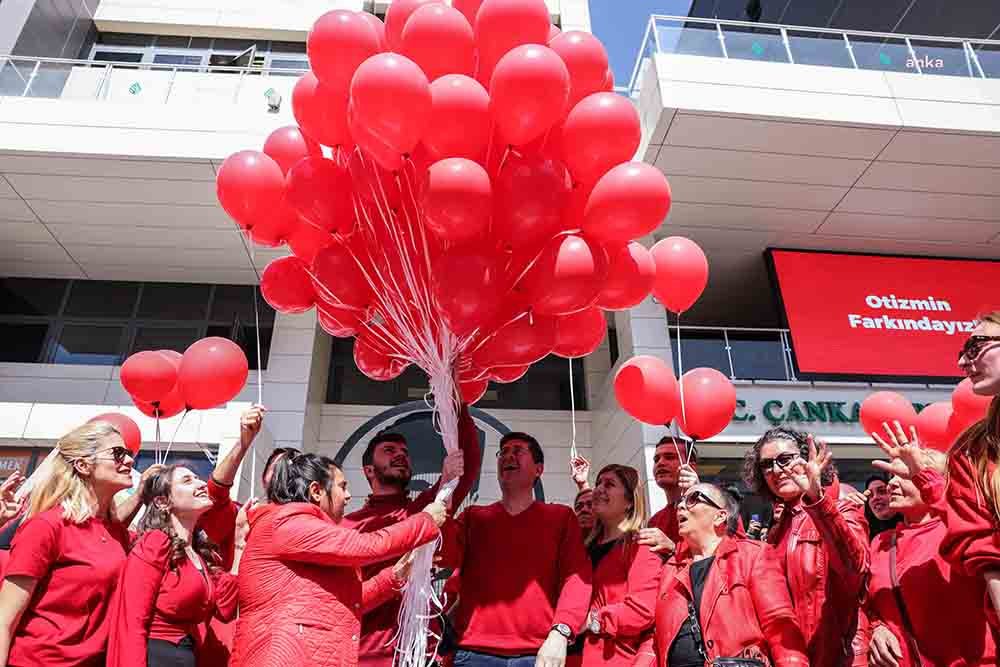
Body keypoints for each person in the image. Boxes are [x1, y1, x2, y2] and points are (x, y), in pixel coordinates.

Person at [231, 452, 446, 667]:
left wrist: (395, 575)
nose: (348, 496)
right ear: (316, 491)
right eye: (342, 487)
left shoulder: (298, 530)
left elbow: (350, 601)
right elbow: (368, 545)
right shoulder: (285, 522)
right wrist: (425, 521)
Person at [872, 311, 1000, 643]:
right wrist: (877, 625)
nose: (962, 362)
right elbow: (984, 547)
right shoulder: (974, 451)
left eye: (975, 346)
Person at [438, 432, 592, 667]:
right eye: (503, 452)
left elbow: (577, 579)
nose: (508, 456)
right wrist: (445, 489)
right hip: (473, 653)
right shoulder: (473, 518)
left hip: (541, 654)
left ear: (539, 469)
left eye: (518, 451)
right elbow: (443, 554)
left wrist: (561, 632)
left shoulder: (561, 518)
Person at [345, 404, 482, 667]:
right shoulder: (348, 526)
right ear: (369, 470)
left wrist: (456, 401)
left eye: (405, 452)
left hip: (421, 655)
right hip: (366, 656)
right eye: (389, 451)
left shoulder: (425, 510)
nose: (400, 455)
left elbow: (467, 466)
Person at [0, 420, 136, 666]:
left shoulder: (118, 533)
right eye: (118, 453)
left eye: (129, 453)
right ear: (83, 465)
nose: (129, 461)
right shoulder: (47, 527)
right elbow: (4, 619)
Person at [743, 427, 869, 667]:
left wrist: (817, 499)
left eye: (785, 459)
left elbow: (856, 569)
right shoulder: (778, 528)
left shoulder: (840, 506)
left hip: (839, 658)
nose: (776, 470)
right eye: (766, 464)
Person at [108, 464, 251, 667]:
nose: (201, 484)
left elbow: (224, 608)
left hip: (184, 656)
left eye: (198, 478)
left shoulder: (197, 554)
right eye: (187, 480)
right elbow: (131, 619)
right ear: (162, 501)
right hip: (155, 656)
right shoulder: (155, 543)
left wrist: (239, 544)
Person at [653, 483, 808, 667]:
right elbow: (655, 640)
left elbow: (780, 626)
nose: (680, 506)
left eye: (693, 499)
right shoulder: (670, 569)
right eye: (681, 500)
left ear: (720, 516)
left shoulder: (751, 556)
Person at [865, 450, 995, 667]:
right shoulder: (880, 542)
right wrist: (877, 627)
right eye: (892, 476)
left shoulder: (960, 532)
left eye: (905, 474)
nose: (892, 484)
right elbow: (867, 602)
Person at [581, 465, 661, 667]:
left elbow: (641, 610)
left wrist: (592, 621)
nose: (599, 489)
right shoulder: (584, 548)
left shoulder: (641, 547)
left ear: (629, 502)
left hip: (612, 659)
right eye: (598, 483)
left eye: (609, 484)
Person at [639, 436, 699, 556]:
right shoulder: (655, 521)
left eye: (670, 457)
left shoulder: (717, 506)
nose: (660, 463)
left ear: (691, 467)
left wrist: (672, 548)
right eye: (656, 459)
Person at [862, 475, 900, 539]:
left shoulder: (913, 527)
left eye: (882, 491)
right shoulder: (864, 536)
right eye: (870, 495)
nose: (875, 497)